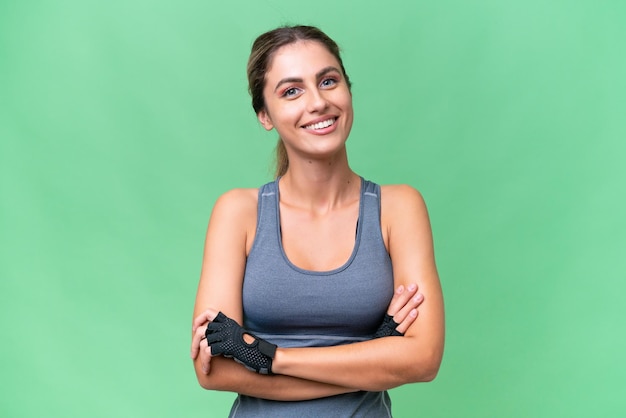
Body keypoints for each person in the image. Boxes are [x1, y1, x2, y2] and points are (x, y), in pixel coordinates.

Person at [190, 25, 445, 417]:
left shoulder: (399, 208)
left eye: (328, 81)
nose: (318, 102)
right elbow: (214, 370)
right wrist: (375, 356)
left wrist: (268, 356)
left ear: (348, 90)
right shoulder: (238, 213)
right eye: (291, 91)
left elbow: (423, 358)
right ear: (265, 115)